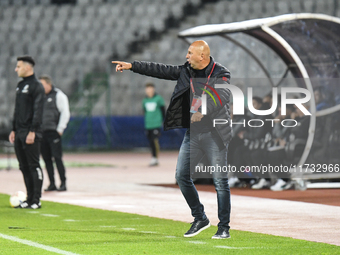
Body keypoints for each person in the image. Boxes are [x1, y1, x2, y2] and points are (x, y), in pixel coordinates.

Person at [112, 40, 232, 239]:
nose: (186, 56)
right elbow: (160, 70)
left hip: (215, 134)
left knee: (220, 182)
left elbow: (220, 96)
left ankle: (224, 227)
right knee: (181, 176)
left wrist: (202, 110)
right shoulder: (186, 70)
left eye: (190, 52)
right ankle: (200, 217)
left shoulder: (221, 73)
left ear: (202, 56)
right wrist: (132, 66)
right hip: (193, 133)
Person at [8, 56, 45, 209]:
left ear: (27, 67)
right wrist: (14, 129)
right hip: (19, 132)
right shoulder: (20, 85)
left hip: (30, 132)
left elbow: (38, 110)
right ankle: (29, 199)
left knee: (33, 165)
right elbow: (17, 110)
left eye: (19, 66)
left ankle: (36, 200)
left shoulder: (37, 86)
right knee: (23, 166)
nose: (16, 69)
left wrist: (33, 131)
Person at [39, 75, 70, 192]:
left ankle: (63, 182)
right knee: (46, 159)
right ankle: (52, 183)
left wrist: (60, 129)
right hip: (42, 132)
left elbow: (65, 113)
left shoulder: (59, 95)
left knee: (57, 158)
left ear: (49, 84)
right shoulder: (40, 97)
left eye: (42, 85)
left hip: (53, 132)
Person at [142, 82, 165, 166]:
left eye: (150, 88)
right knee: (150, 141)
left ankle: (155, 158)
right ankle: (153, 157)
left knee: (154, 140)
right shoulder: (145, 100)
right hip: (148, 124)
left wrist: (163, 121)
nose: (149, 91)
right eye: (147, 89)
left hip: (156, 124)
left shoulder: (158, 99)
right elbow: (145, 111)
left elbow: (163, 110)